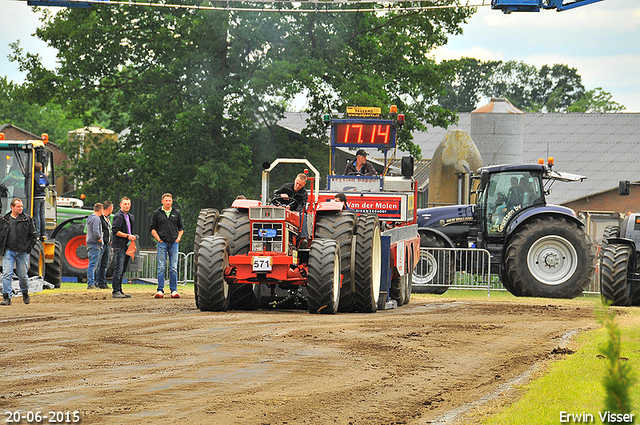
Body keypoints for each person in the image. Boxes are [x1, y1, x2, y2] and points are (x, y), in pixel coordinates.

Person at [0, 198, 37, 306]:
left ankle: (25, 292)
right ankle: (7, 297)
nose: (21, 208)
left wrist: (28, 249)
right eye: (18, 206)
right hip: (9, 251)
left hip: (23, 252)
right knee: (7, 274)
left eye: (21, 206)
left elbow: (33, 235)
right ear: (12, 207)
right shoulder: (4, 220)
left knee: (23, 275)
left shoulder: (27, 219)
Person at [150, 193, 184, 299]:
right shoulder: (157, 213)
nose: (168, 202)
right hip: (162, 243)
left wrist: (178, 239)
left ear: (172, 201)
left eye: (169, 200)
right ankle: (160, 290)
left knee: (173, 267)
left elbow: (181, 228)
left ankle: (174, 290)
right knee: (161, 267)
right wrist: (158, 239)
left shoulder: (176, 213)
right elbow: (152, 228)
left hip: (173, 243)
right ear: (162, 202)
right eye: (166, 200)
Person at [111, 197, 136, 299]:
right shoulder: (118, 216)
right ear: (120, 205)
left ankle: (120, 289)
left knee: (123, 269)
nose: (127, 206)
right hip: (119, 245)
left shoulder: (131, 217)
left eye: (128, 204)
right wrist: (127, 236)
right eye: (125, 204)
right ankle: (115, 290)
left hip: (127, 245)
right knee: (119, 268)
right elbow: (115, 231)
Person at [274, 173, 309, 246]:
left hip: (293, 212)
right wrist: (280, 196)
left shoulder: (303, 194)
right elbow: (273, 198)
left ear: (304, 184)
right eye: (297, 183)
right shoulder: (286, 187)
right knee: (271, 208)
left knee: (303, 215)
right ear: (295, 180)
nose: (297, 186)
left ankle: (303, 239)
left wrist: (291, 210)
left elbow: (301, 206)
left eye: (300, 185)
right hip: (280, 209)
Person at [86, 203, 104, 290]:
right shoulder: (96, 219)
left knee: (92, 264)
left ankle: (91, 282)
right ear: (101, 210)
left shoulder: (90, 218)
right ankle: (91, 283)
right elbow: (96, 231)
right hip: (95, 243)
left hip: (90, 243)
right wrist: (99, 239)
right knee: (93, 265)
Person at [96, 201, 113, 289]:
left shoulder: (107, 218)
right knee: (98, 263)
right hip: (101, 244)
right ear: (110, 208)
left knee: (104, 264)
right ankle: (96, 282)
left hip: (107, 244)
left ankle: (102, 282)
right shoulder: (100, 218)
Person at [33, 162, 50, 240]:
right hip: (43, 196)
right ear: (41, 168)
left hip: (36, 197)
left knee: (36, 215)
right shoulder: (44, 176)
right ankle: (43, 233)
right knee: (42, 215)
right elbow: (48, 183)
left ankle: (37, 232)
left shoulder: (34, 176)